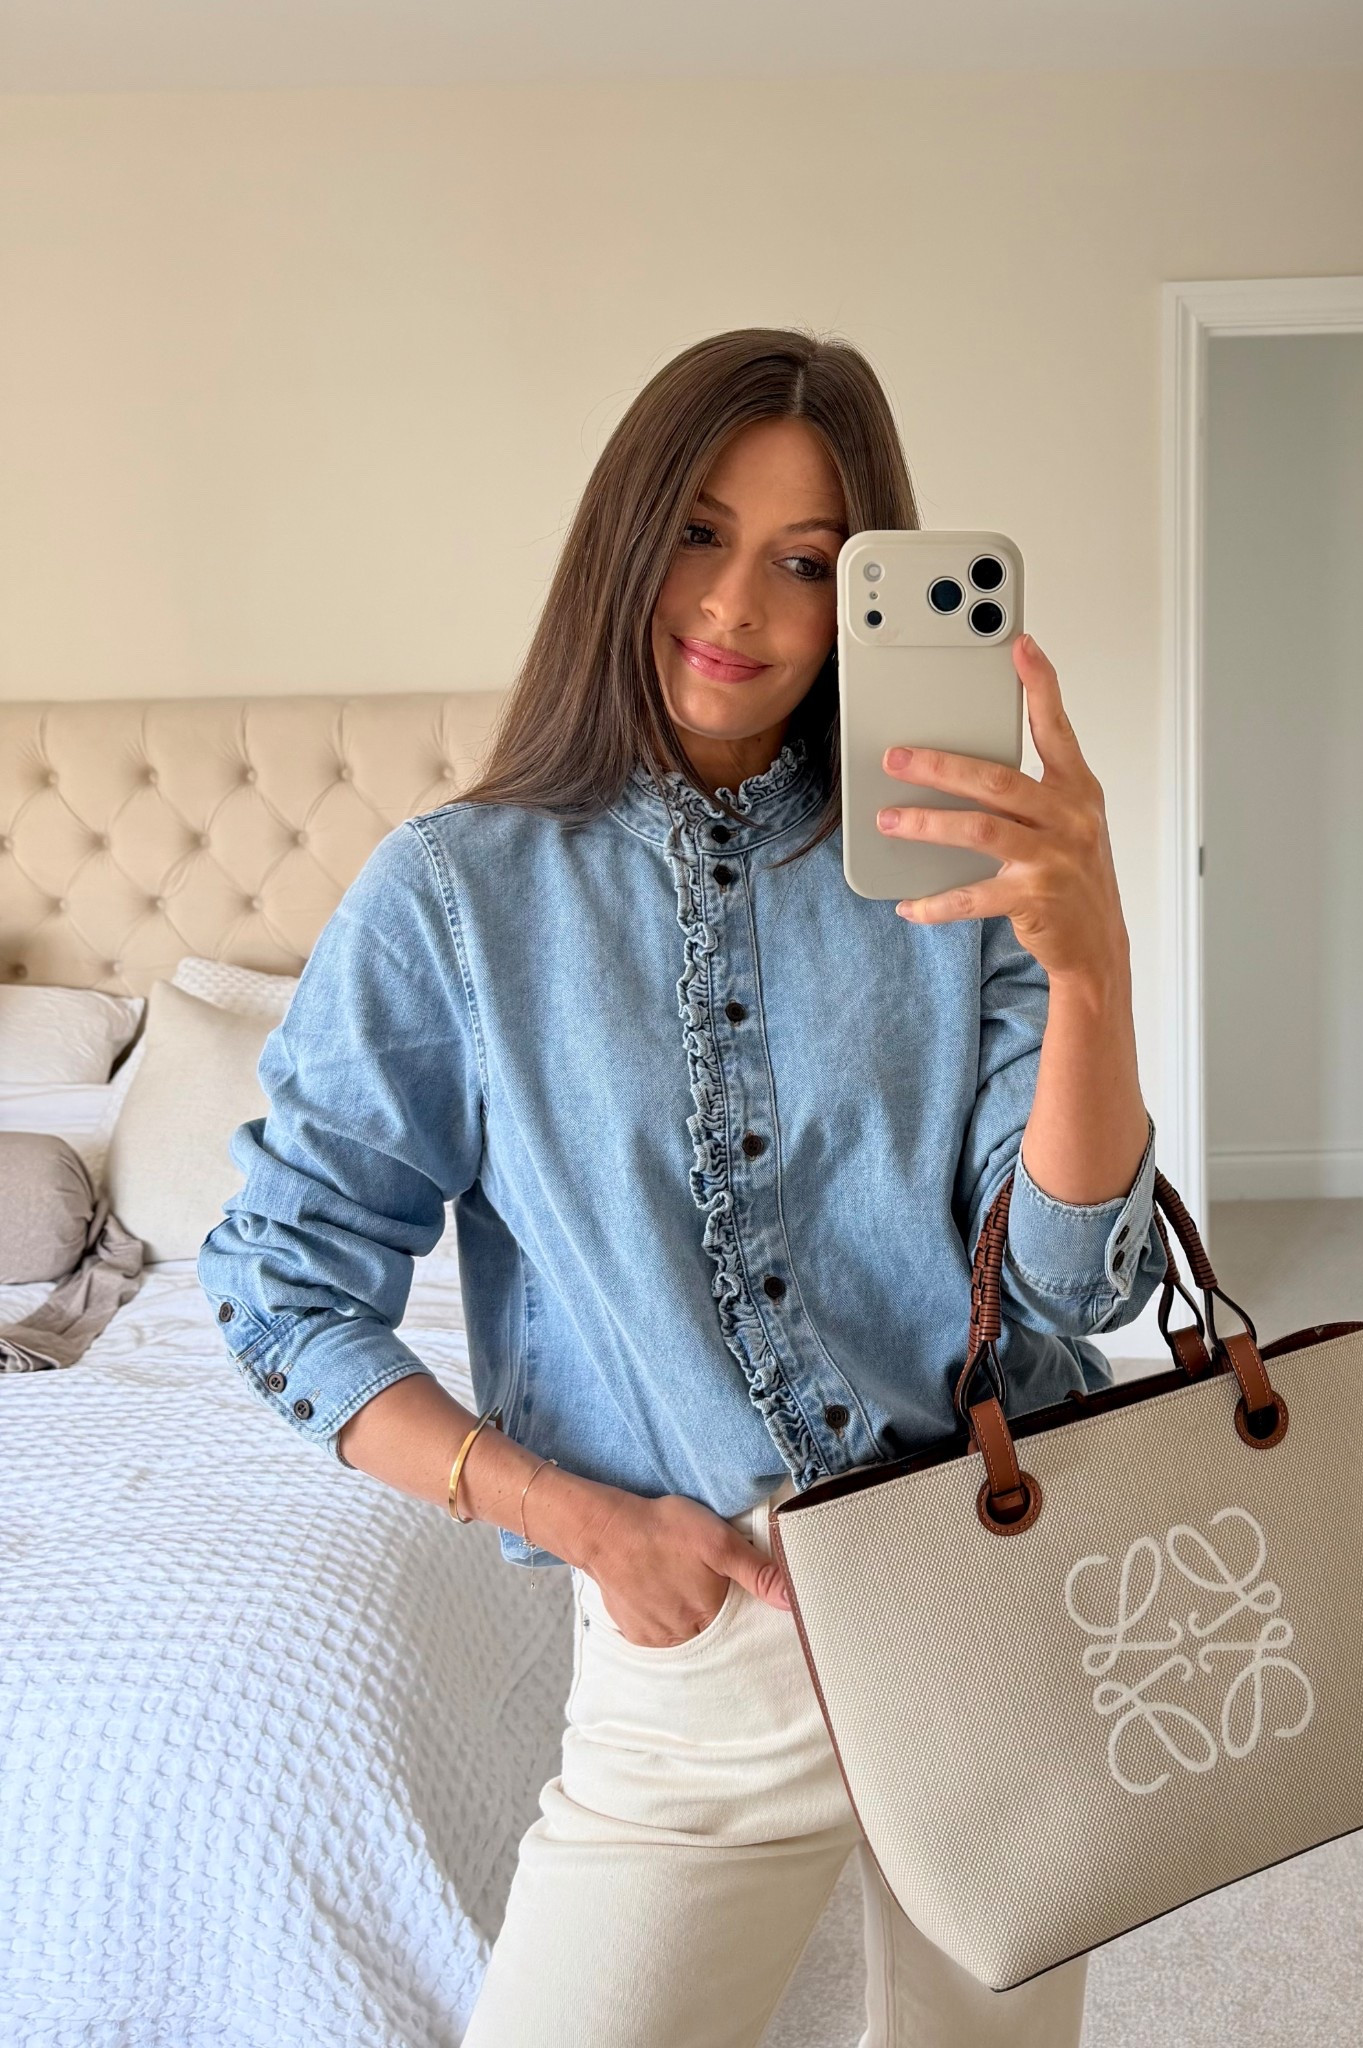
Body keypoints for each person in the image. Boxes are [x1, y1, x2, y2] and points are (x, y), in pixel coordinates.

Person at [199, 326, 1167, 2048]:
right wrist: (567, 1515)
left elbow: (1072, 1288)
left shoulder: (958, 875)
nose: (737, 607)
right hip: (704, 1641)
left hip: (1000, 1580)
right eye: (700, 534)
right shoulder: (456, 900)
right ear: (623, 536)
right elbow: (282, 1287)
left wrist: (1090, 969)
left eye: (807, 562)